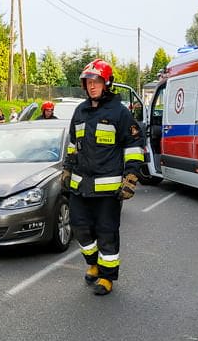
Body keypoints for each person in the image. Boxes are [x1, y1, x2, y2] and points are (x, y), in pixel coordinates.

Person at [61, 59, 145, 296]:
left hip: (108, 190)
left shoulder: (120, 113)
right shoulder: (79, 111)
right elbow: (73, 145)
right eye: (88, 82)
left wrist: (130, 177)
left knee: (107, 232)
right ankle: (93, 263)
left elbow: (134, 146)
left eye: (96, 81)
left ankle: (107, 277)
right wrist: (67, 169)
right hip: (80, 186)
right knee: (80, 229)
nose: (92, 86)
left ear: (107, 83)